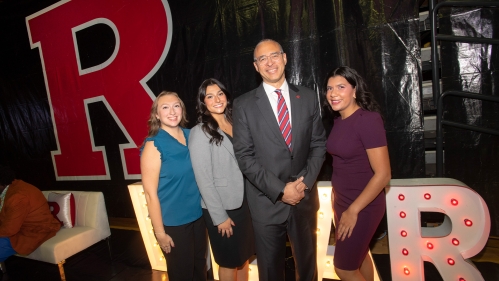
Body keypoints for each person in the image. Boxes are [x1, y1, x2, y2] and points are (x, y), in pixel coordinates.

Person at [232, 39, 326, 281]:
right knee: (271, 271)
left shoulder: (307, 97)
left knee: (307, 267)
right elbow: (244, 156)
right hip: (266, 202)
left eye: (274, 55)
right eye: (262, 59)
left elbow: (318, 145)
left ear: (285, 58)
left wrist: (302, 185)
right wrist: (281, 189)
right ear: (256, 66)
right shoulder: (243, 105)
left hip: (303, 199)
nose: (269, 62)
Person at [324, 66, 391, 281]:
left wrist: (353, 210)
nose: (333, 93)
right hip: (343, 202)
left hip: (363, 205)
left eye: (341, 87)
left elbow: (383, 174)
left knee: (344, 268)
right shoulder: (338, 122)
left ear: (354, 90)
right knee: (360, 259)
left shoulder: (367, 120)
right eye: (329, 88)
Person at [189, 78, 255, 281]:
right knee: (228, 262)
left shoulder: (237, 123)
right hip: (222, 208)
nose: (216, 99)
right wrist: (220, 217)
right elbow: (203, 179)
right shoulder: (199, 132)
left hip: (245, 204)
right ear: (203, 102)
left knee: (243, 258)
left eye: (220, 93)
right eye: (209, 96)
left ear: (227, 96)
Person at [140, 91, 207, 281]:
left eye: (176, 105)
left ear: (182, 110)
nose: (172, 111)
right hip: (174, 223)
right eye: (165, 107)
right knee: (182, 274)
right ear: (156, 115)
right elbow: (150, 194)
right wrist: (159, 232)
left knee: (200, 268)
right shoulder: (153, 145)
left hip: (199, 216)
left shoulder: (192, 135)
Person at [0, 166, 61, 265]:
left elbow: (9, 230)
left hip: (34, 231)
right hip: (18, 228)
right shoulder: (10, 187)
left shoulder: (17, 196)